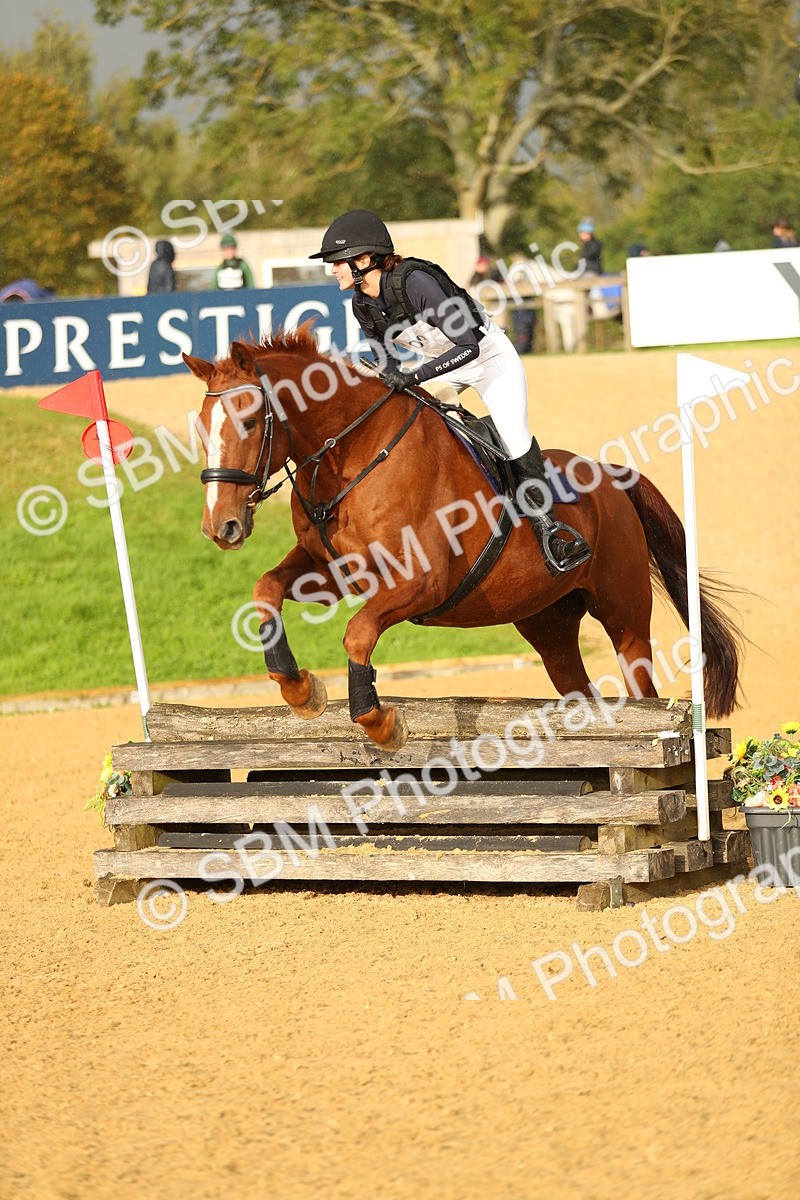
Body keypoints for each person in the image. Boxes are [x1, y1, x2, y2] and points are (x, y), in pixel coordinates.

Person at [310, 209, 590, 573]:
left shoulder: (416, 283)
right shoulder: (362, 303)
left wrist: (413, 377)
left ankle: (549, 531)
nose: (332, 270)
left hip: (488, 358)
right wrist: (388, 379)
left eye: (338, 262)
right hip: (440, 368)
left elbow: (467, 346)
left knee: (513, 435)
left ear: (364, 260)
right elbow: (390, 363)